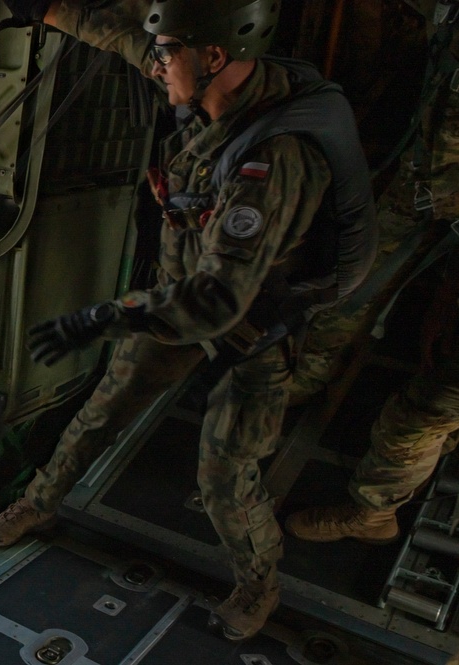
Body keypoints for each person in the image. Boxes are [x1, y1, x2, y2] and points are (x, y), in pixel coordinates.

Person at [0, 0, 377, 641]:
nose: (156, 64)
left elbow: (218, 302)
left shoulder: (275, 162)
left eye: (166, 53)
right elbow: (120, 37)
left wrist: (104, 318)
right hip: (177, 300)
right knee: (101, 411)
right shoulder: (203, 73)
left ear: (212, 56)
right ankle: (39, 504)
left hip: (253, 329)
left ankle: (258, 587)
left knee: (224, 475)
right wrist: (50, 10)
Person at [284, 0, 459, 544]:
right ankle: (306, 375)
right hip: (427, 185)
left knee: (429, 406)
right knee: (351, 282)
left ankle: (372, 513)